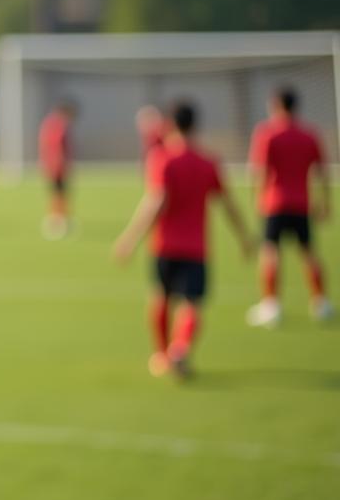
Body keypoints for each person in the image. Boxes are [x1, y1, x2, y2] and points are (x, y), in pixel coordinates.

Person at [114, 101, 251, 379]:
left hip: (164, 245)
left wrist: (130, 239)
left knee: (161, 298)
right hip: (196, 247)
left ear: (171, 124)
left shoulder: (162, 158)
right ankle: (180, 350)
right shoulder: (207, 161)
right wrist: (244, 236)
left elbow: (156, 201)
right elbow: (227, 203)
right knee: (192, 303)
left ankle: (162, 354)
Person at [245, 87, 333, 327]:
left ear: (276, 105)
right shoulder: (309, 135)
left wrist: (257, 197)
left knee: (270, 252)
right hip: (302, 203)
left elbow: (259, 169)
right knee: (309, 253)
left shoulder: (267, 133)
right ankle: (321, 302)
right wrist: (326, 202)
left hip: (275, 202)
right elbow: (322, 171)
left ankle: (271, 304)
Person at [38, 99, 77, 239]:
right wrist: (61, 164)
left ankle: (58, 220)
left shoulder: (50, 123)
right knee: (59, 195)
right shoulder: (58, 125)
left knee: (58, 194)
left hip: (51, 165)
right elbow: (56, 146)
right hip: (56, 167)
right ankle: (57, 222)